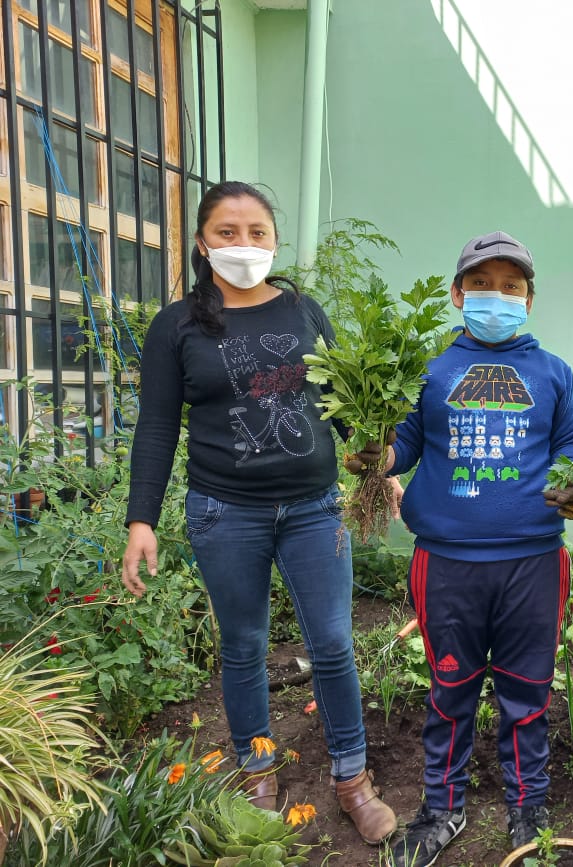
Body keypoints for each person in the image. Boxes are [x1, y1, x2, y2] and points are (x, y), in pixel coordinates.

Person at [120, 181, 397, 844]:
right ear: (201, 243)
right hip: (225, 512)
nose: (243, 244)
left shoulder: (304, 311)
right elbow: (157, 426)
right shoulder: (176, 326)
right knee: (243, 646)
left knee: (333, 643)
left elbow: (344, 401)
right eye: (227, 232)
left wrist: (375, 457)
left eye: (256, 232)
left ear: (274, 241)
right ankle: (257, 771)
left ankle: (353, 779)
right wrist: (141, 520)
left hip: (314, 509)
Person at [375, 231, 573, 867]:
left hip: (532, 563)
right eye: (483, 284)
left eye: (511, 286)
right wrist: (374, 454)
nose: (497, 296)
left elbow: (568, 450)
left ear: (529, 300)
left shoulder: (553, 373)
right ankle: (442, 808)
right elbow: (404, 446)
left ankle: (529, 809)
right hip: (446, 562)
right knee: (449, 689)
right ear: (457, 293)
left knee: (529, 692)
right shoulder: (428, 368)